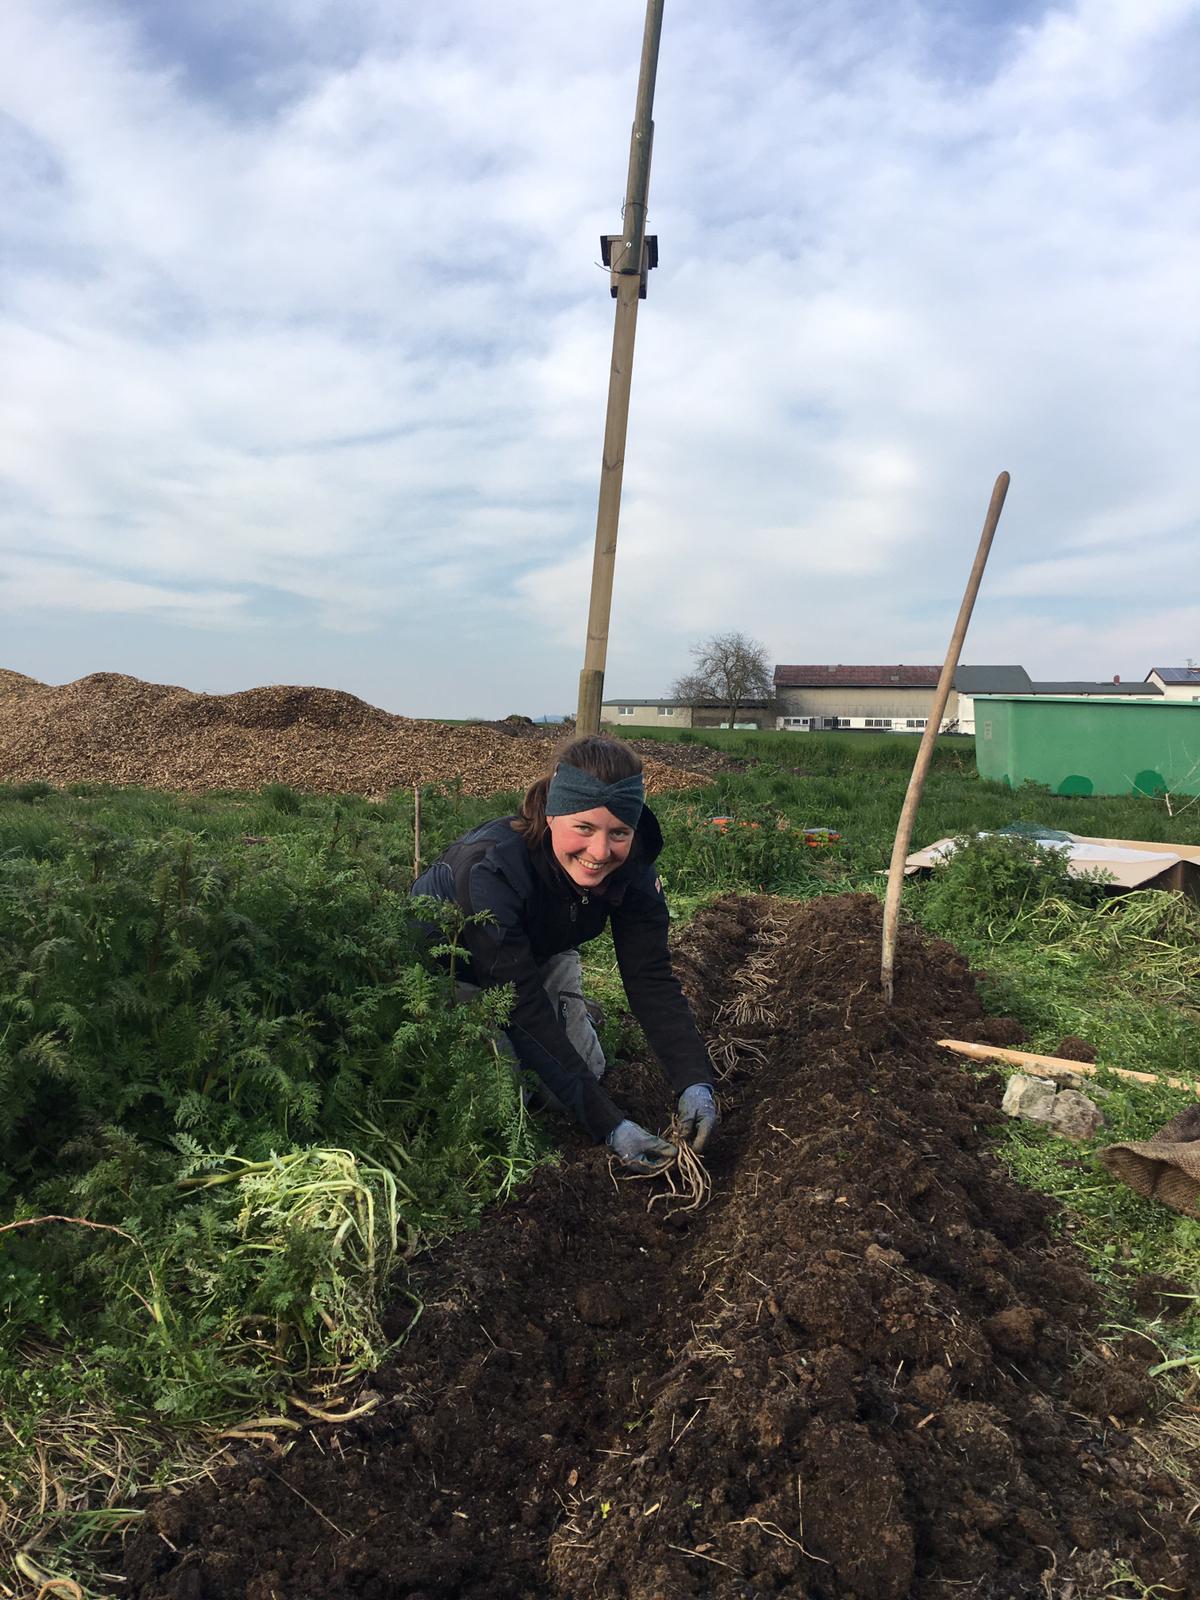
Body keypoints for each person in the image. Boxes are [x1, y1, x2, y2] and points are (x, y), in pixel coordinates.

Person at [411, 735, 718, 1170]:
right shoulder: (491, 869)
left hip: (540, 952)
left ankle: (574, 1013)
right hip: (452, 967)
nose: (600, 852)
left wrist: (695, 1081)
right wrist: (611, 1125)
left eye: (619, 832)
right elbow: (520, 1005)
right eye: (584, 828)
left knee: (575, 1081)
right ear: (553, 814)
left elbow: (650, 977)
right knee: (502, 1099)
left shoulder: (632, 866)